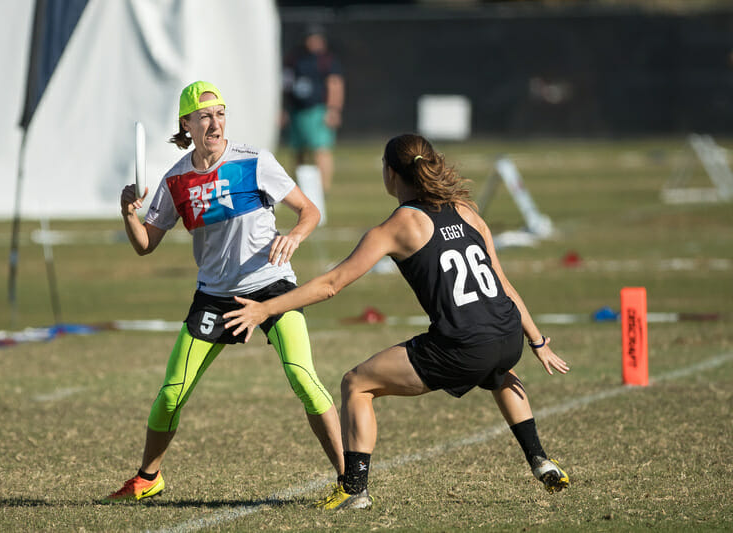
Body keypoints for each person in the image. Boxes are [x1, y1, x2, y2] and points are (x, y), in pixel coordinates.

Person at [224, 133, 571, 510]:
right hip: (507, 337)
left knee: (355, 384)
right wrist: (537, 341)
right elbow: (503, 285)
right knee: (497, 370)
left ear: (390, 174)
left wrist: (266, 309)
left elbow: (331, 284)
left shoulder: (398, 226)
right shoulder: (466, 209)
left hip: (462, 345)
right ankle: (540, 459)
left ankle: (354, 489)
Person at [101, 80, 344, 503]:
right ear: (187, 124)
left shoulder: (254, 161)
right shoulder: (176, 180)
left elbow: (310, 210)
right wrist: (128, 215)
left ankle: (349, 479)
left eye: (220, 114)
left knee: (303, 377)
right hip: (213, 296)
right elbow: (146, 245)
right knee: (172, 392)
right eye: (205, 116)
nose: (215, 123)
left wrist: (295, 237)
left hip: (272, 287)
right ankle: (148, 477)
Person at [282, 24, 345, 192]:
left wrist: (333, 109)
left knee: (321, 150)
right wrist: (284, 109)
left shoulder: (327, 60)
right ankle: (297, 189)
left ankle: (323, 190)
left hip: (318, 110)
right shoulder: (295, 58)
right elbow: (286, 84)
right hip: (297, 111)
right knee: (298, 151)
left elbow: (335, 84)